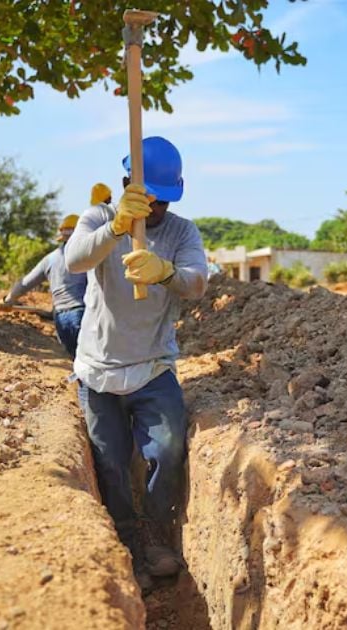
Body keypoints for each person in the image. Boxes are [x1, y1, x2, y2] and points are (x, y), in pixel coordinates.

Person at [63, 136, 207, 590]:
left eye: (165, 200)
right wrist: (116, 228)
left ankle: (156, 536)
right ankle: (124, 546)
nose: (158, 208)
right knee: (109, 463)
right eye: (151, 198)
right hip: (98, 368)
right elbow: (75, 259)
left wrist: (166, 272)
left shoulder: (182, 232)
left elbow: (197, 283)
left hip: (153, 366)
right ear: (129, 184)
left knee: (166, 450)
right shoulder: (98, 217)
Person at [2, 214, 90, 411]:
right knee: (90, 368)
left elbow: (24, 283)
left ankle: (89, 411)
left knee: (79, 364)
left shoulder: (50, 259)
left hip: (61, 319)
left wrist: (8, 301)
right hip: (84, 315)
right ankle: (93, 414)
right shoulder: (89, 256)